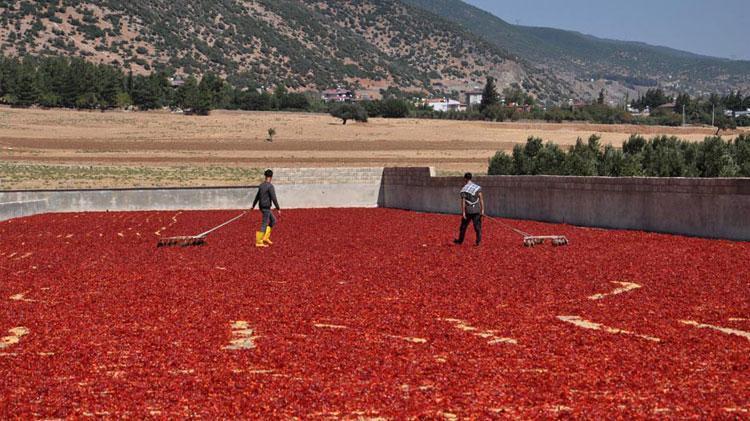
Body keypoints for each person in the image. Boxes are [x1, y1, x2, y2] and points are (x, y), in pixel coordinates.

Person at [251, 169, 281, 248]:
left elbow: (257, 196)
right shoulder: (270, 186)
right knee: (264, 223)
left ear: (265, 176)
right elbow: (274, 198)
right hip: (266, 208)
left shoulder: (261, 185)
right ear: (271, 177)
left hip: (262, 207)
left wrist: (253, 206)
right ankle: (258, 241)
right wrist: (278, 208)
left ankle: (265, 237)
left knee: (273, 220)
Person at [454, 172, 484, 246]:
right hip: (477, 210)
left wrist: (463, 212)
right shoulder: (477, 188)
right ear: (471, 178)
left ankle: (460, 241)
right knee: (477, 227)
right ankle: (478, 242)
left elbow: (463, 202)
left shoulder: (464, 189)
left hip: (468, 211)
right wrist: (482, 210)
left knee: (463, 227)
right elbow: (481, 199)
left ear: (465, 179)